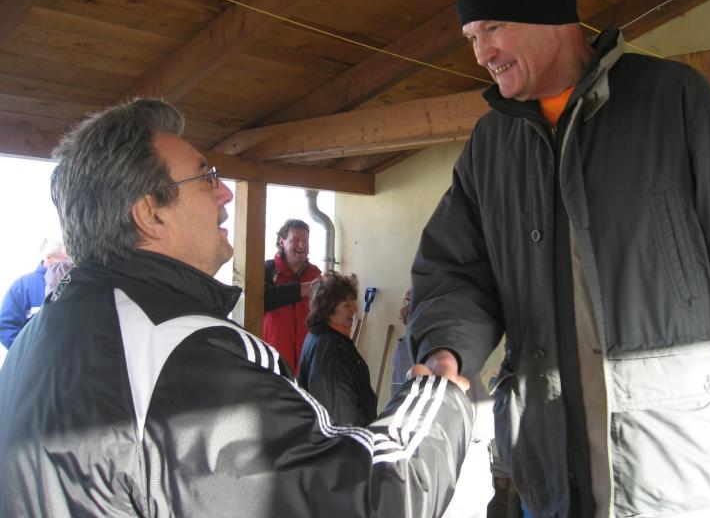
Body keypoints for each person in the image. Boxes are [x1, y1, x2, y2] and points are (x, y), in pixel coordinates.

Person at [407, 0, 710, 518]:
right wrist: (446, 349)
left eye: (493, 28)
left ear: (549, 16)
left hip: (669, 467)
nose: (481, 53)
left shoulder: (674, 100)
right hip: (546, 470)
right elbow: (457, 272)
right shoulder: (490, 144)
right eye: (471, 37)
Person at [0, 98, 473, 517]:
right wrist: (440, 391)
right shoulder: (183, 354)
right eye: (205, 177)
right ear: (150, 212)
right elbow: (368, 498)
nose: (224, 192)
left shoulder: (39, 338)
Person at [393, 290, 495, 518]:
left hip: (436, 478)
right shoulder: (446, 360)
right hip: (458, 482)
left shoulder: (404, 350)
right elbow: (484, 423)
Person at [297, 272, 377, 426]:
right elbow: (340, 416)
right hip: (345, 438)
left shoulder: (326, 338)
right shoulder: (330, 350)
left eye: (353, 303)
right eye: (347, 305)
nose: (354, 309)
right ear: (327, 310)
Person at [262, 218, 322, 374]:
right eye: (295, 240)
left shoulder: (316, 274)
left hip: (308, 361)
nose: (302, 245)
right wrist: (305, 289)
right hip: (273, 363)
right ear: (282, 242)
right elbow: (263, 299)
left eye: (305, 241)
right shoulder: (267, 269)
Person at [0, 237, 67, 349]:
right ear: (49, 259)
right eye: (65, 261)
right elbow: (6, 327)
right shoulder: (22, 286)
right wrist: (28, 352)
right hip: (35, 356)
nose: (69, 266)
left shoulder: (73, 284)